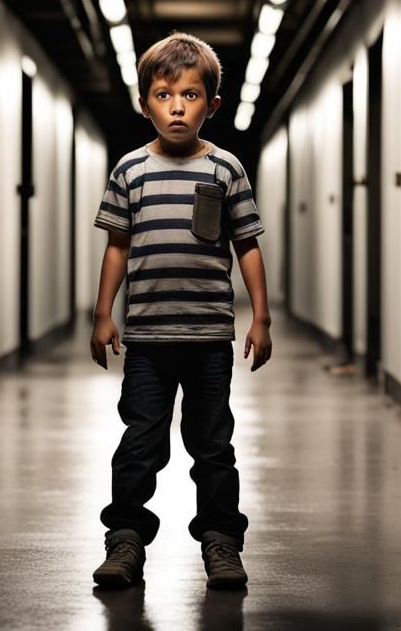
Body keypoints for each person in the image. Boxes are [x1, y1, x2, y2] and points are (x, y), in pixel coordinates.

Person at [89, 32, 273, 591]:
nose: (176, 106)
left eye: (190, 96)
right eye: (164, 95)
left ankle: (221, 541)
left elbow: (247, 245)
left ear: (211, 106)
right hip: (146, 339)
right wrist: (102, 314)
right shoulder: (130, 172)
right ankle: (126, 539)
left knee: (213, 445)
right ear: (144, 103)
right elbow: (117, 245)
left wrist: (260, 317)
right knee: (140, 442)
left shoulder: (225, 170)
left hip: (209, 338)